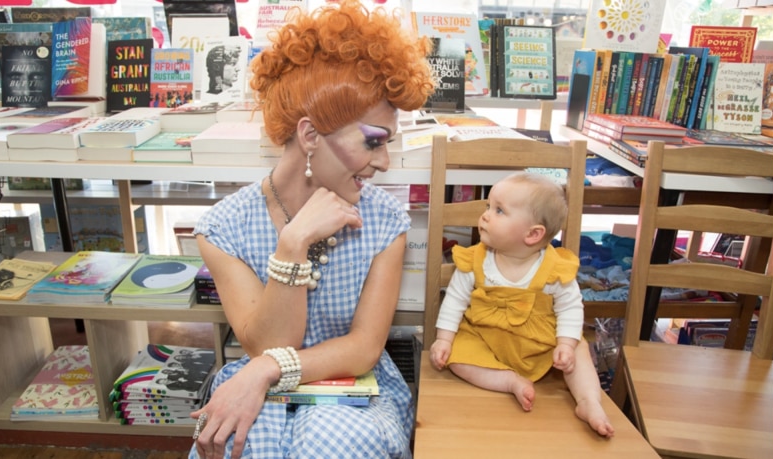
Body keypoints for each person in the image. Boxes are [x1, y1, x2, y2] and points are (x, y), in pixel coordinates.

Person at [189, 1, 434, 458]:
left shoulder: (385, 222)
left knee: (330, 442)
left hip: (356, 395)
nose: (383, 162)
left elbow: (362, 348)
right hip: (265, 391)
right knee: (242, 445)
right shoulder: (223, 228)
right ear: (309, 136)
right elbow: (267, 342)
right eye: (373, 142)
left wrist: (263, 370)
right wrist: (292, 244)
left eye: (388, 145)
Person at [429, 172, 615, 438]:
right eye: (487, 207)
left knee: (580, 351)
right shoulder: (475, 260)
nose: (485, 215)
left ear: (533, 234)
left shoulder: (553, 268)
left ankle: (589, 402)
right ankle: (507, 380)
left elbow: (571, 308)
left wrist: (565, 344)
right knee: (457, 359)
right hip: (485, 338)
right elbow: (455, 301)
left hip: (536, 343)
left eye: (499, 210)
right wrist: (444, 339)